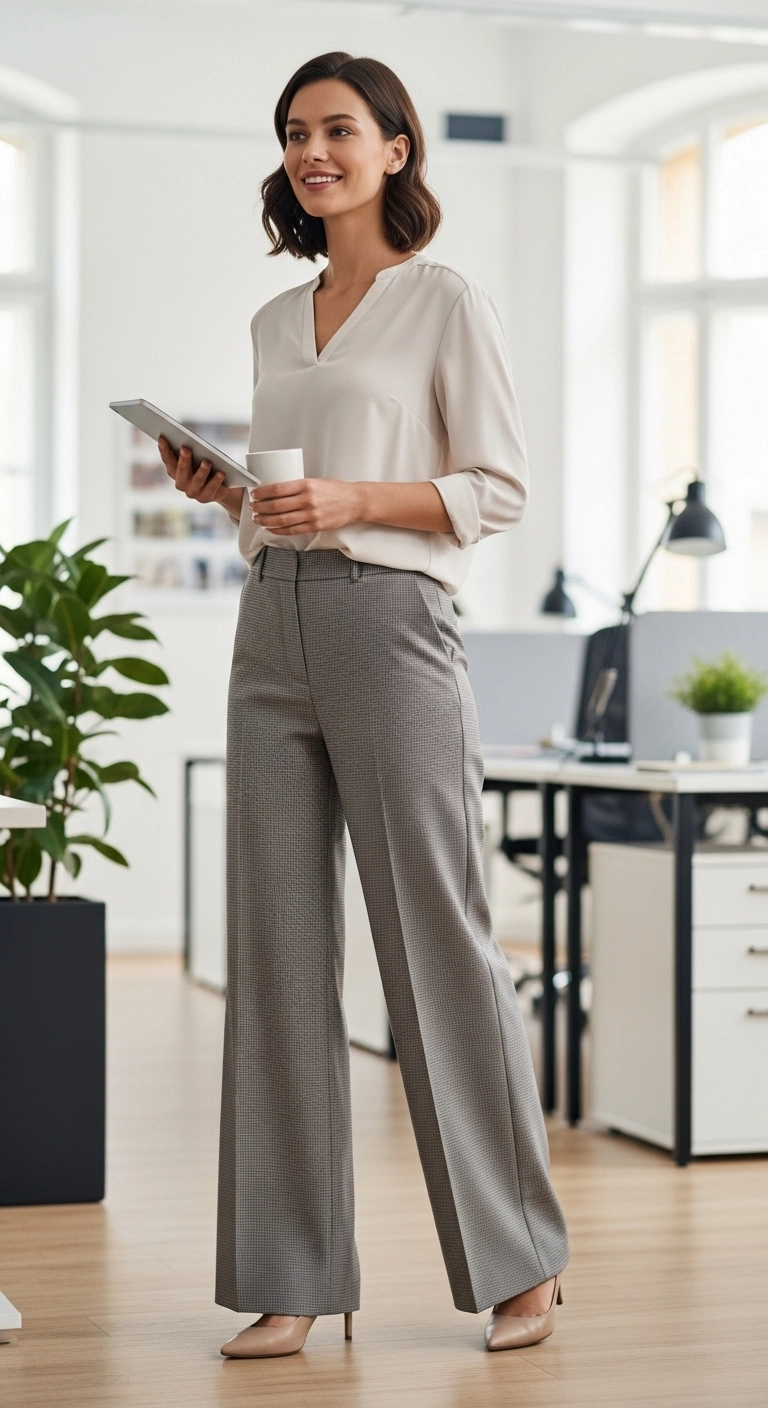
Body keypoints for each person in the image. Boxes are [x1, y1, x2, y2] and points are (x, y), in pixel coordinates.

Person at [159, 50, 568, 1361]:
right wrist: (227, 490)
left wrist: (352, 501)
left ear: (396, 148)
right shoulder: (278, 321)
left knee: (435, 938)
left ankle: (519, 1262)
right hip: (269, 619)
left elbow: (495, 488)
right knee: (276, 950)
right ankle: (290, 1276)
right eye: (294, 132)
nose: (312, 152)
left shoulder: (444, 299)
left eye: (338, 129)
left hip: (391, 622)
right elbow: (291, 489)